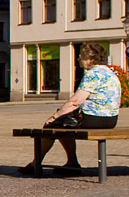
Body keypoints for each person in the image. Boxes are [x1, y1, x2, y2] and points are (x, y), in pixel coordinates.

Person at [22, 41, 119, 175]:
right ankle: (71, 163)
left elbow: (75, 101)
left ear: (91, 59)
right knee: (64, 122)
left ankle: (36, 164)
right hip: (111, 119)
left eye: (82, 56)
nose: (79, 59)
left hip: (95, 118)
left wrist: (54, 117)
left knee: (54, 124)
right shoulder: (109, 72)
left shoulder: (93, 73)